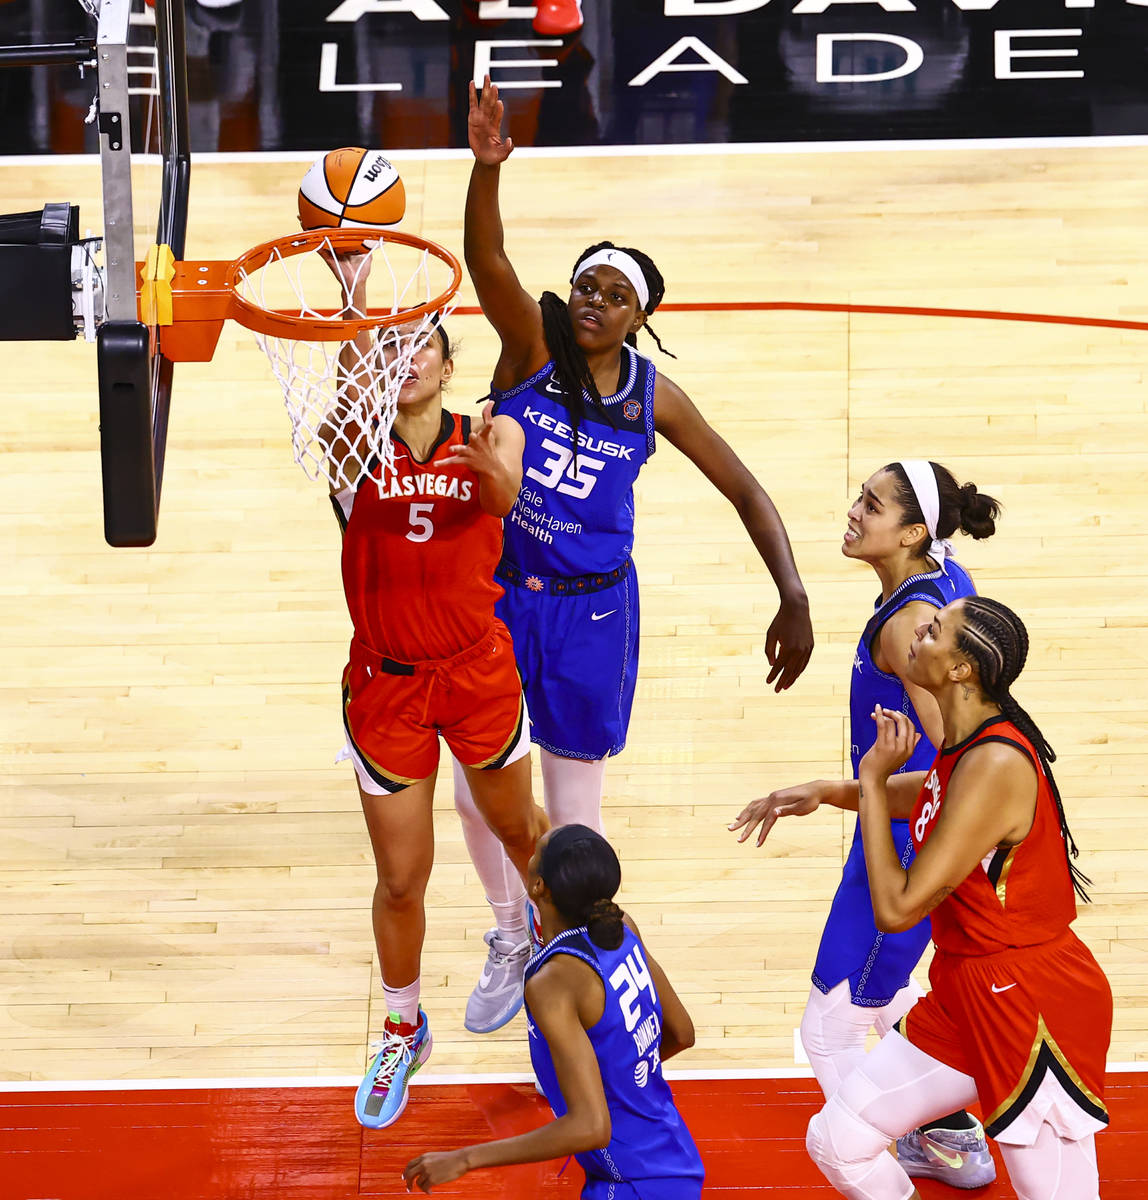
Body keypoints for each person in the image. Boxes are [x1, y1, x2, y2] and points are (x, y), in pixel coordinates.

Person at [455, 74, 815, 1038]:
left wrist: (792, 594)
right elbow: (484, 256)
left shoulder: (654, 399)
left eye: (615, 295)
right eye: (586, 284)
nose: (594, 301)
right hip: (501, 596)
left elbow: (744, 487)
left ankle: (567, 952)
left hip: (594, 612)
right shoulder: (529, 348)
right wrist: (486, 170)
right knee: (474, 783)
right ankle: (506, 935)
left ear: (639, 317)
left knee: (573, 812)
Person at [322, 253, 548, 1129]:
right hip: (386, 686)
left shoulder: (492, 435)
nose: (406, 354)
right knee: (401, 879)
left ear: (450, 366)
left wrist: (490, 449)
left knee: (526, 839)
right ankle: (401, 1025)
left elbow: (500, 497)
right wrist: (351, 296)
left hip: (477, 673)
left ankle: (556, 975)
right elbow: (346, 411)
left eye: (422, 344)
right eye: (392, 346)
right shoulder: (353, 452)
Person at [730, 460, 1001, 1188]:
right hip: (907, 830)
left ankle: (879, 1162)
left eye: (872, 505)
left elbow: (956, 768)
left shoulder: (908, 631)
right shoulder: (947, 583)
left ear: (914, 531)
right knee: (891, 996)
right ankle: (948, 1134)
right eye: (860, 496)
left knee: (832, 1023)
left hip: (906, 843)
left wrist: (844, 789)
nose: (854, 511)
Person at [803, 597, 1111, 1200]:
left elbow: (896, 911)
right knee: (838, 1139)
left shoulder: (996, 761)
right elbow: (931, 790)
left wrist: (868, 782)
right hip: (964, 993)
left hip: (1030, 1005)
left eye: (936, 629)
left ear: (961, 670)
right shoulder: (968, 742)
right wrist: (826, 791)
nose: (920, 626)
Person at [403, 824, 704, 1197]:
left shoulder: (553, 982)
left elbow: (591, 1127)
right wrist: (620, 1080)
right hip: (672, 1158)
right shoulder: (622, 928)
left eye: (536, 853)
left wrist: (464, 1158)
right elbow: (682, 1033)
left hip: (631, 1182)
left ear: (538, 886)